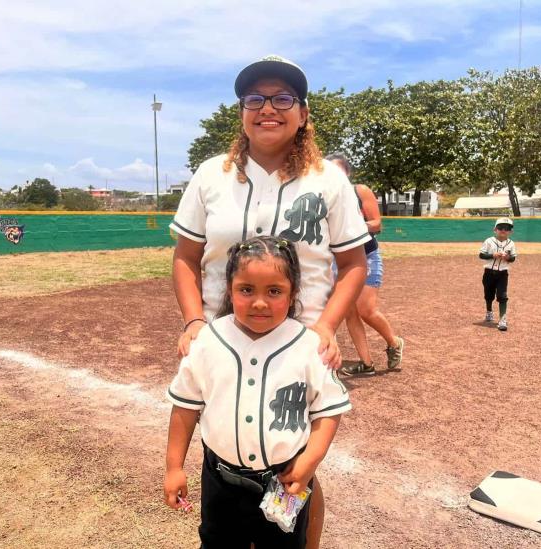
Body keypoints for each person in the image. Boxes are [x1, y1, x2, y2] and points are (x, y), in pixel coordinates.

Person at [170, 55, 369, 548]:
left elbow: (354, 265)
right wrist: (194, 319)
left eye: (283, 98)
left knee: (296, 461)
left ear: (303, 113)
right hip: (223, 336)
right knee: (231, 437)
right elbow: (185, 257)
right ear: (242, 112)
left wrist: (326, 327)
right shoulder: (212, 174)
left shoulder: (328, 179)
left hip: (300, 342)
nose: (268, 109)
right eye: (254, 99)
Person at [164, 236, 351, 548]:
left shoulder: (308, 346)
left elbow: (328, 411)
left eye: (274, 291)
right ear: (229, 290)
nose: (260, 302)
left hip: (284, 480)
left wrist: (310, 462)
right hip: (219, 480)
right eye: (246, 289)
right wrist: (173, 467)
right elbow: (184, 408)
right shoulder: (207, 341)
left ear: (293, 296)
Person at [325, 153, 404, 375]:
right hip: (337, 261)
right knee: (349, 312)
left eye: (337, 171)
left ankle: (394, 343)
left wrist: (350, 225)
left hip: (365, 256)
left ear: (347, 174)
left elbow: (377, 224)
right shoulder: (323, 198)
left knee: (366, 309)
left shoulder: (359, 191)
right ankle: (366, 363)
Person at [479, 217, 517, 331]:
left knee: (502, 296)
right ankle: (489, 311)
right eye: (500, 228)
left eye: (507, 228)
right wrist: (492, 255)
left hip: (502, 274)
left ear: (511, 231)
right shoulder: (489, 241)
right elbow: (481, 255)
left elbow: (513, 258)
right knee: (489, 294)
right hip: (489, 273)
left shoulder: (511, 244)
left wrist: (508, 257)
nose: (503, 230)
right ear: (495, 229)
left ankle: (502, 320)